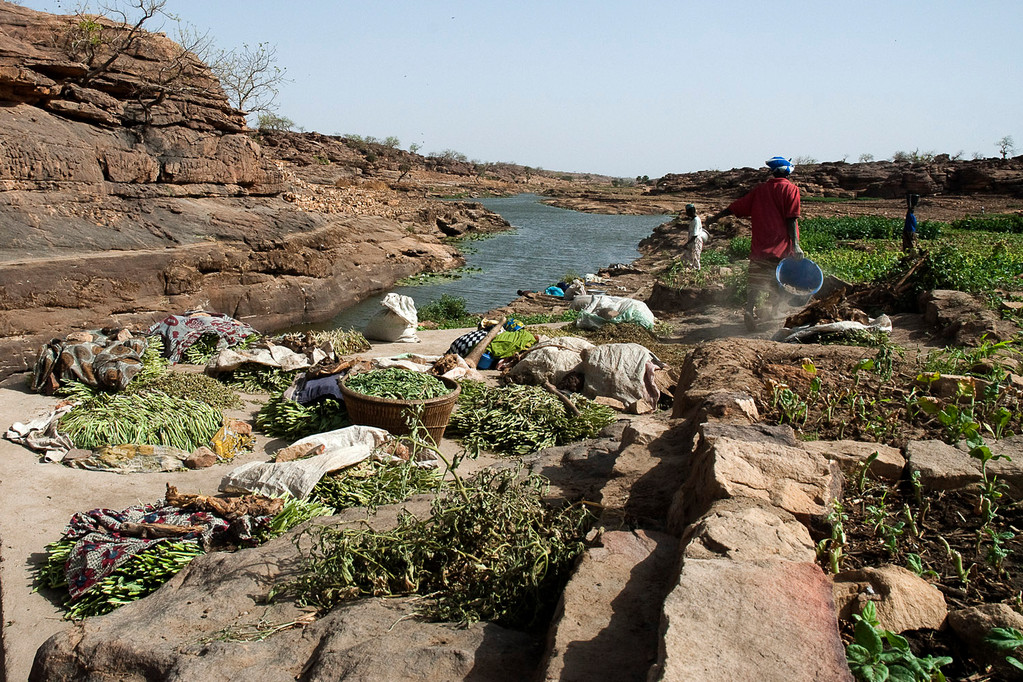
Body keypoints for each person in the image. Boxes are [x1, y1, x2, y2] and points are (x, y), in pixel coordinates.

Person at [706, 156, 803, 330]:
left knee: (755, 282)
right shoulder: (791, 190)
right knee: (779, 281)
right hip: (781, 249)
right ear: (787, 172)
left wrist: (715, 217)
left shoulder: (760, 190)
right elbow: (792, 219)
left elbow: (736, 207)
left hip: (759, 248)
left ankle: (750, 310)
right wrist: (795, 245)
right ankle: (774, 314)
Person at [681, 203, 708, 270]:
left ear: (691, 211)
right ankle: (690, 268)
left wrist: (687, 243)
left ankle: (697, 271)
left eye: (687, 212)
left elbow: (695, 235)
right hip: (692, 241)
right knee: (687, 256)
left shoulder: (696, 220)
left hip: (696, 241)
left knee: (696, 257)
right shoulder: (693, 220)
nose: (687, 213)